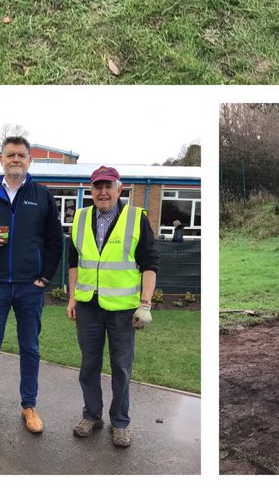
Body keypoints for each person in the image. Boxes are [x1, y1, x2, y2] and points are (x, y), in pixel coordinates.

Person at [0, 136, 64, 436]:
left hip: (29, 288)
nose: (15, 159)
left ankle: (29, 406)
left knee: (30, 349)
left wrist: (44, 278)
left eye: (21, 155)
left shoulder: (42, 196)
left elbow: (55, 243)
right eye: (10, 155)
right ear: (1, 160)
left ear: (29, 160)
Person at [66, 166, 160, 448]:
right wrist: (72, 298)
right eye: (97, 187)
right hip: (88, 307)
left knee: (121, 367)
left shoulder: (135, 219)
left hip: (123, 310)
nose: (103, 192)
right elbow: (74, 262)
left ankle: (120, 422)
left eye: (109, 186)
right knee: (89, 365)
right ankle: (91, 415)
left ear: (120, 189)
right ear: (91, 190)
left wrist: (145, 304)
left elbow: (150, 263)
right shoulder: (80, 219)